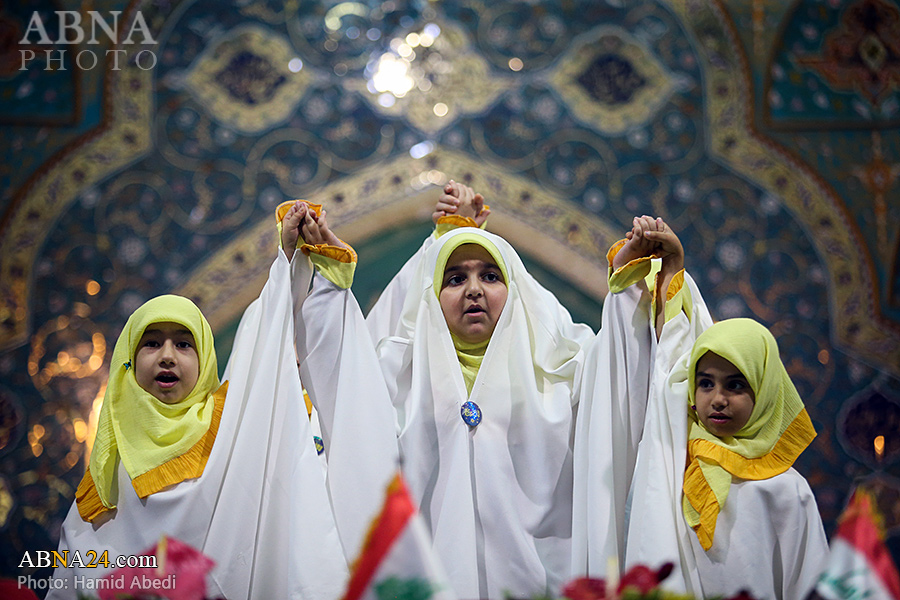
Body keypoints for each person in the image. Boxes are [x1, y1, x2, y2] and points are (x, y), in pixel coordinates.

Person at [280, 188, 654, 599]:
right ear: (432, 296)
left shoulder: (562, 372)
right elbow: (340, 383)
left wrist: (628, 288)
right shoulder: (398, 373)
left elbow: (620, 390)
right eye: (455, 279)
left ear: (515, 289)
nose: (474, 289)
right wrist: (329, 279)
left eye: (490, 276)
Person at [48, 221, 348, 599]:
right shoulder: (107, 470)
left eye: (184, 344)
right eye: (151, 343)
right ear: (128, 361)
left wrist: (290, 261)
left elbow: (269, 340)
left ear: (205, 360)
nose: (167, 356)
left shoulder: (230, 428)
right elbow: (77, 575)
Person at [622, 220, 829, 599]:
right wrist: (668, 271)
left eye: (735, 385)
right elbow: (667, 358)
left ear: (765, 391)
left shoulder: (784, 490)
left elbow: (811, 586)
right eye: (705, 383)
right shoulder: (675, 462)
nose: (717, 398)